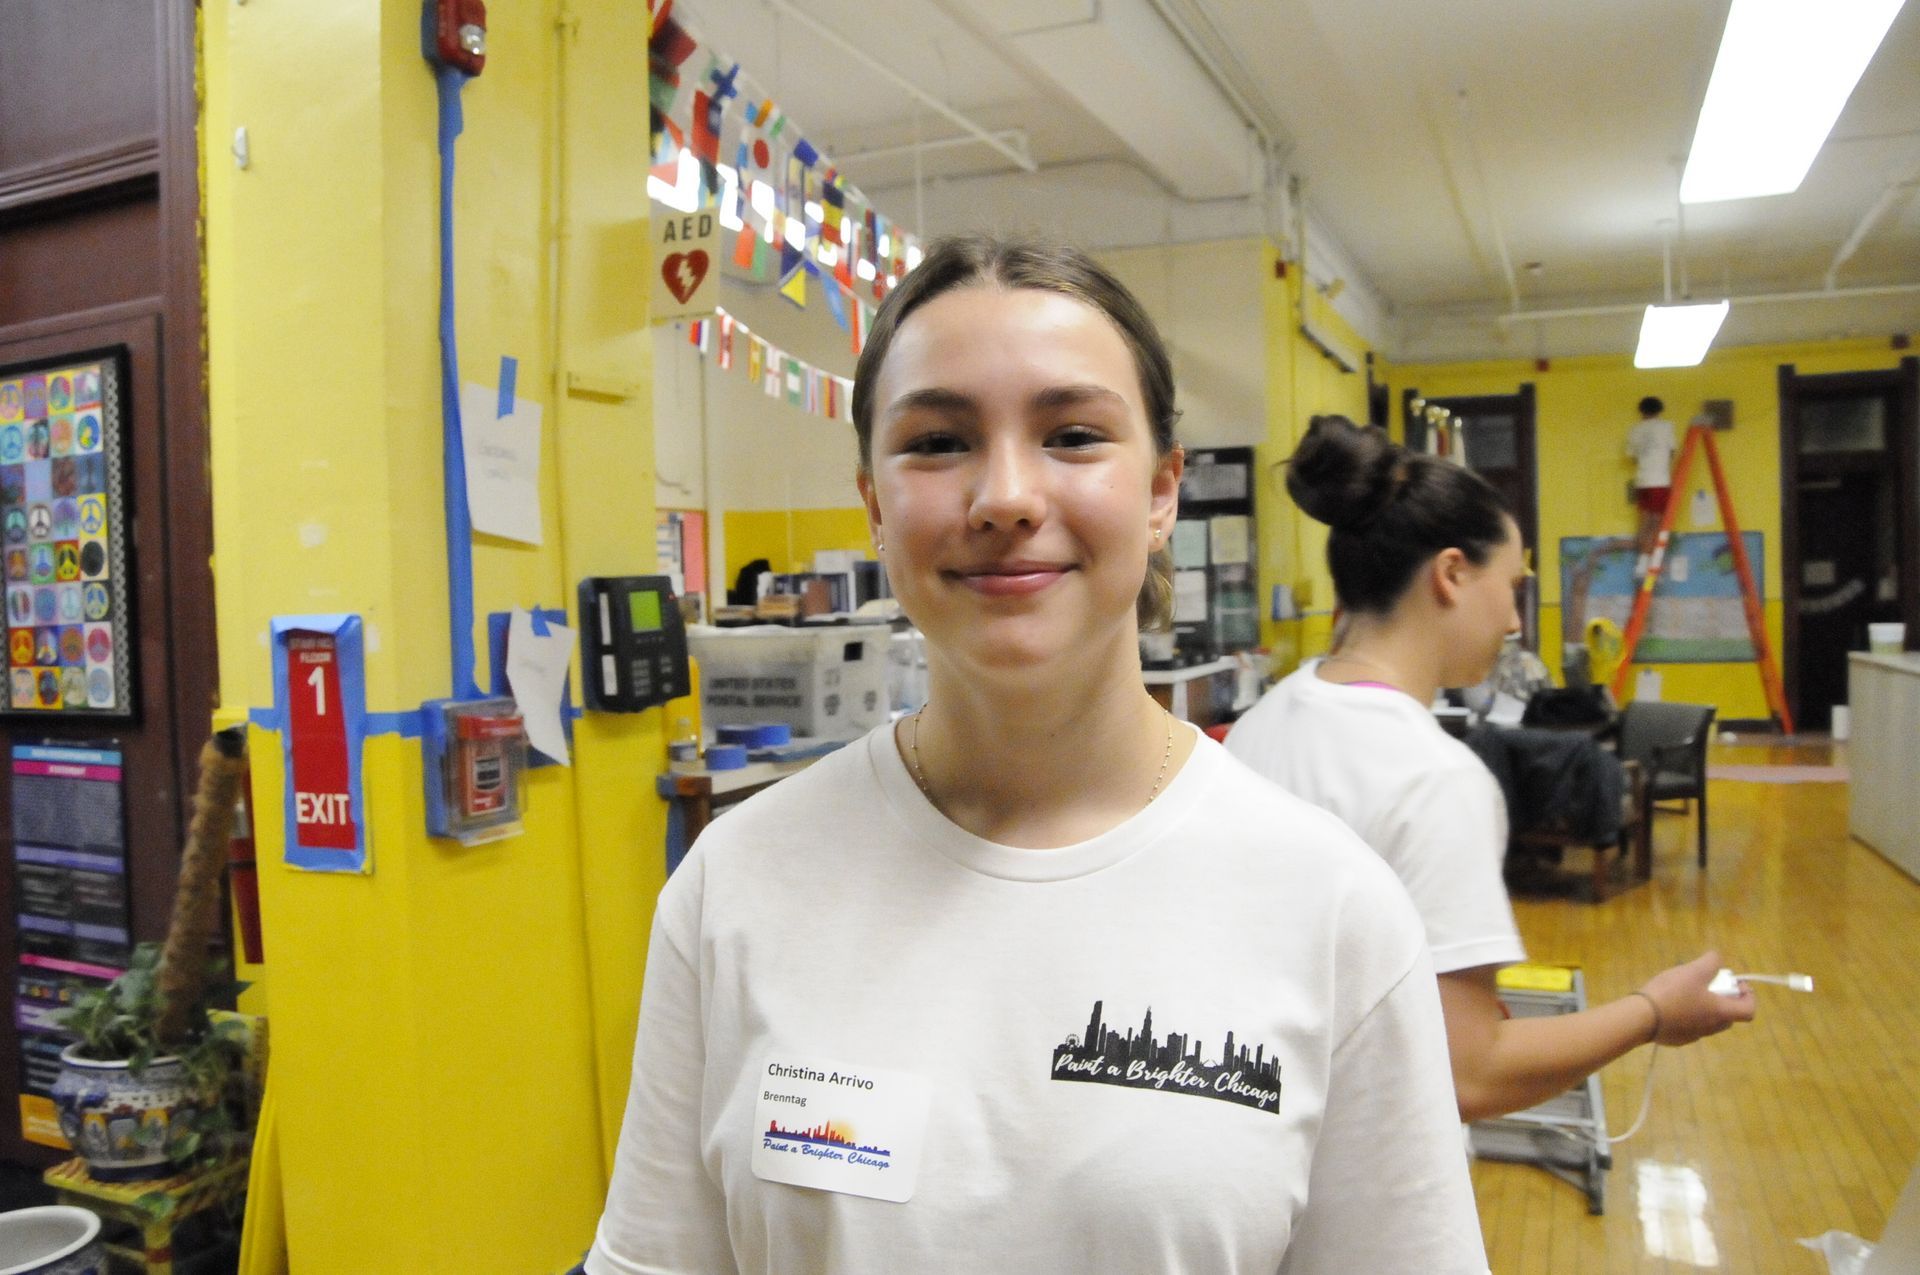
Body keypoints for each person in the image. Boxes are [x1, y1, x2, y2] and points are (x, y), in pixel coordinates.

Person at [586, 241, 1487, 1273]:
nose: (1006, 496)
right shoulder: (736, 885)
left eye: (1070, 433)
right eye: (936, 442)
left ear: (1160, 495)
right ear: (875, 503)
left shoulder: (1332, 912)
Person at [1226, 415, 1755, 1124]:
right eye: (1511, 586)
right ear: (1451, 573)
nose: (1513, 620)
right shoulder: (1437, 777)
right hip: (1358, 1175)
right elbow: (1470, 1073)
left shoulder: (1263, 720)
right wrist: (1653, 1011)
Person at [1626, 395, 1677, 572]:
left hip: (1642, 481)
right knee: (1657, 522)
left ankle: (1641, 562)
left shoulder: (1635, 429)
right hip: (1660, 481)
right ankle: (1651, 560)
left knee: (1644, 521)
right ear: (1659, 411)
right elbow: (1671, 452)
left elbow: (1632, 457)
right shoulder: (1666, 427)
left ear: (1641, 411)